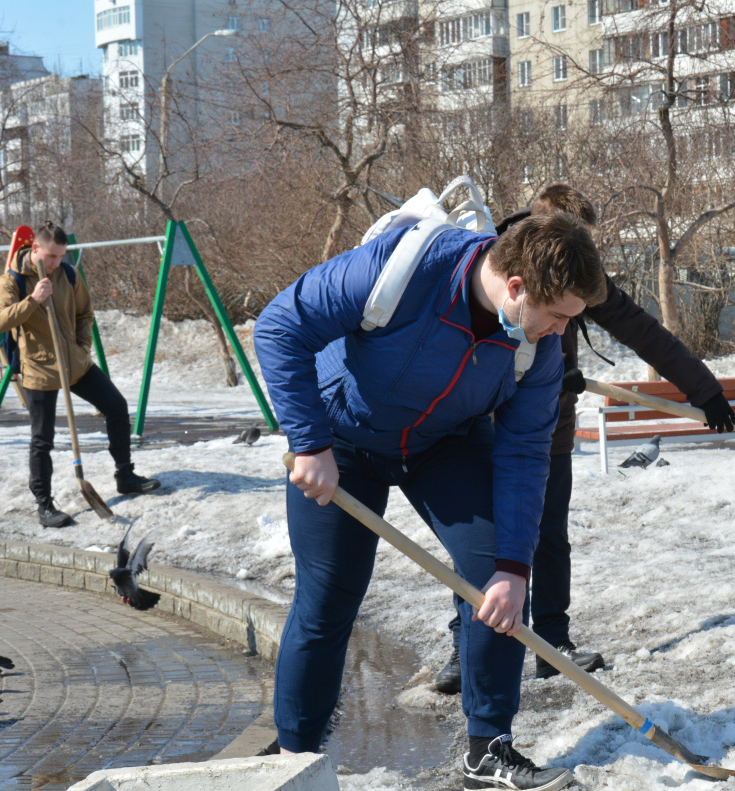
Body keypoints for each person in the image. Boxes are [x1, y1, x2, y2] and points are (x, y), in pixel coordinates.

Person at [254, 211, 606, 791]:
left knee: (493, 575)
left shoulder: (536, 347)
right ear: (516, 288)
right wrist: (310, 442)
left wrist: (516, 569)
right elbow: (280, 326)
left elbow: (523, 454)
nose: (562, 333)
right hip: (342, 439)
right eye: (560, 316)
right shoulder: (400, 269)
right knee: (327, 602)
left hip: (445, 441)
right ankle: (294, 758)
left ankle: (488, 750)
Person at [434, 184, 735, 693]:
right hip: (481, 429)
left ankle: (552, 641)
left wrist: (703, 390)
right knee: (484, 545)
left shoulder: (578, 274)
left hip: (548, 432)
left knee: (548, 535)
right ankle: (464, 648)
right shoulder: (490, 261)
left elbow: (641, 330)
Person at [0, 222, 159, 529]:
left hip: (75, 363)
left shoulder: (69, 275)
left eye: (60, 256)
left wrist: (81, 347)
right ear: (35, 250)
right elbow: (0, 321)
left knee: (117, 406)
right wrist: (33, 300)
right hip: (39, 369)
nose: (56, 263)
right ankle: (44, 505)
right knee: (42, 439)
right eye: (51, 256)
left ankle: (125, 474)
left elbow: (85, 313)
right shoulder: (12, 280)